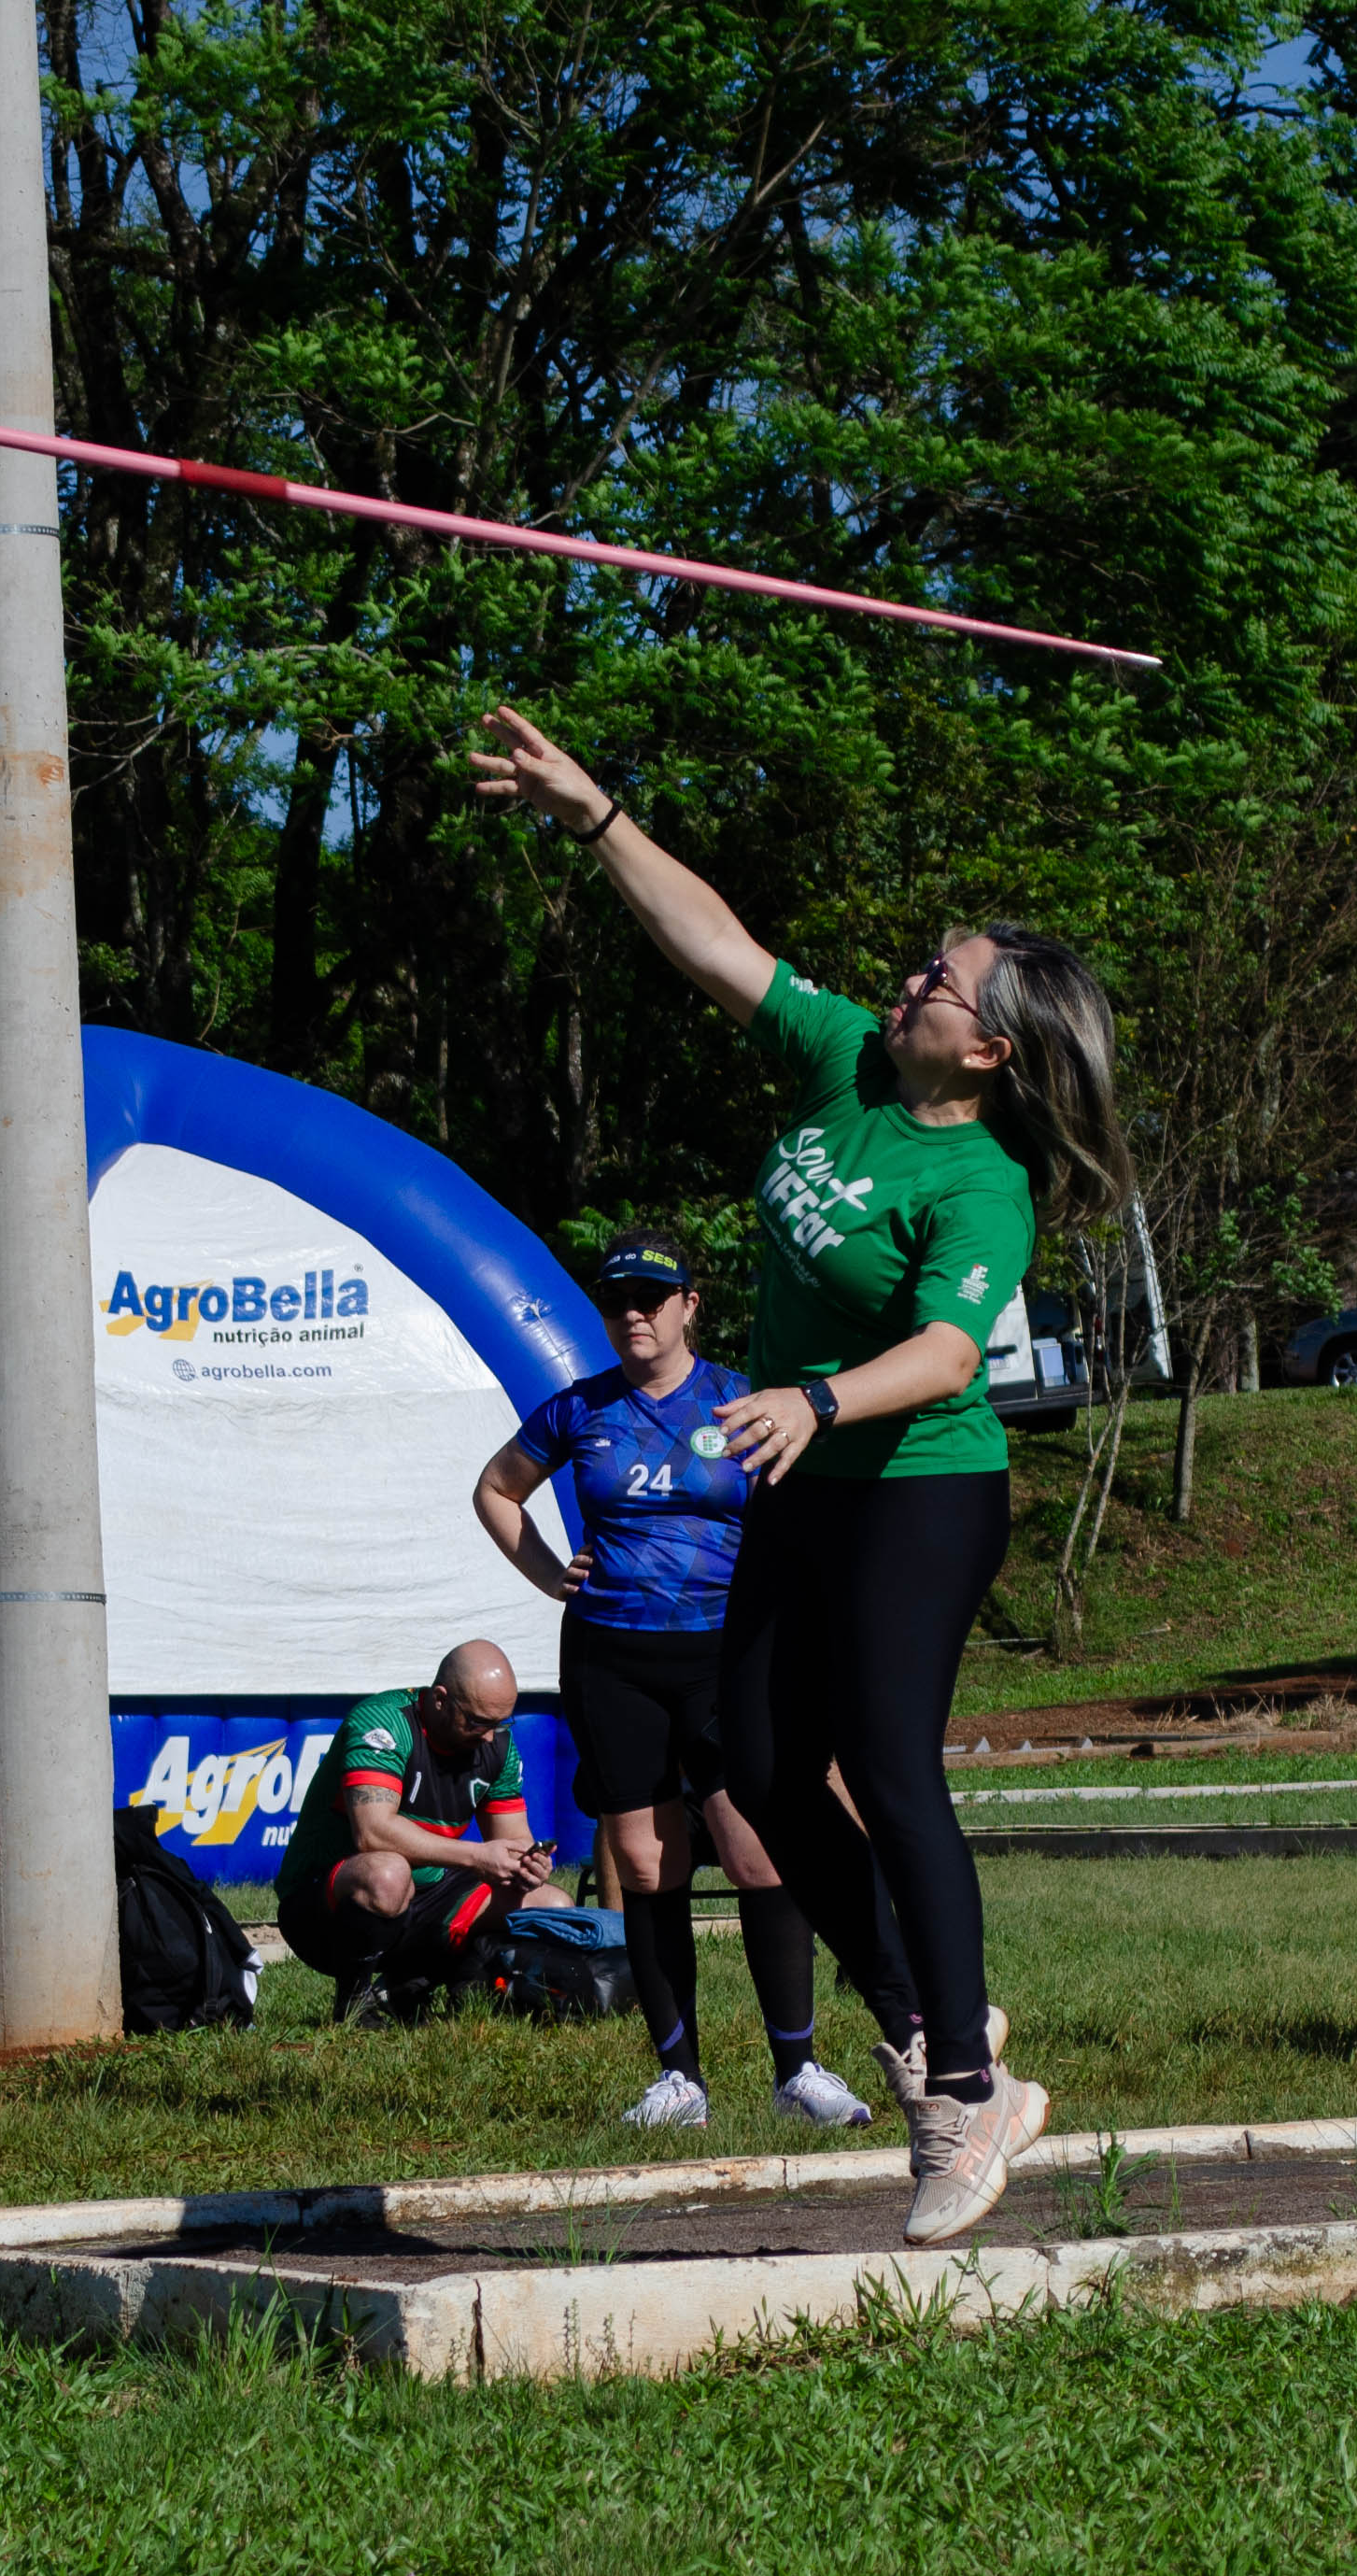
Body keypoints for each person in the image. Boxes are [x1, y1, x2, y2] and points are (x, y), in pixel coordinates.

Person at [472, 706, 1124, 2243]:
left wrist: (818, 1398)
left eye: (937, 981)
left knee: (888, 1764)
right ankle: (916, 2011)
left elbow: (948, 1356)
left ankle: (963, 2090)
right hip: (801, 1475)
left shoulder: (980, 1182)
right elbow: (717, 944)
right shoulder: (844, 1062)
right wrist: (593, 812)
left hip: (918, 1487)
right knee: (757, 1768)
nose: (906, 984)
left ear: (988, 1047)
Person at [474, 1238, 876, 2130]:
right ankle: (679, 2081)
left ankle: (798, 2070)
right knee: (651, 1866)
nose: (634, 1313)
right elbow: (497, 1490)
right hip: (612, 1659)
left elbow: (812, 1514)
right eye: (618, 1298)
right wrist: (550, 1575)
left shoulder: (741, 1400)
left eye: (653, 1297)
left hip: (725, 1655)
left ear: (690, 1305)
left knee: (756, 1854)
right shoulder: (578, 1408)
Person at [271, 1641, 571, 2019]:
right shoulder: (384, 1722)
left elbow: (514, 1840)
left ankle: (421, 1985)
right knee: (388, 1873)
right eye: (477, 1722)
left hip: (426, 1895)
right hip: (320, 1906)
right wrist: (478, 1856)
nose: (489, 1736)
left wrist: (528, 1866)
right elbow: (373, 1833)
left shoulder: (497, 1745)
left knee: (552, 1907)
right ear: (440, 1699)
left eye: (500, 1723)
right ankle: (354, 2006)